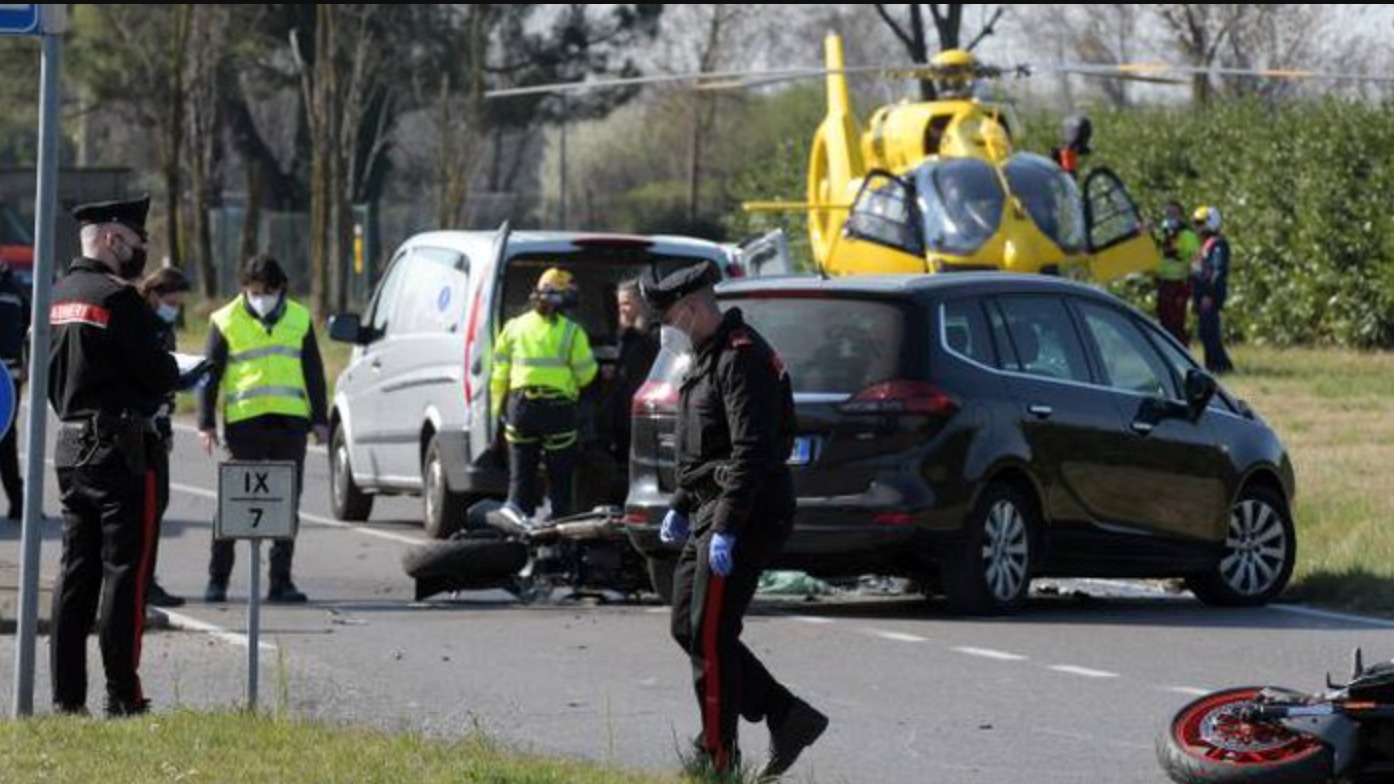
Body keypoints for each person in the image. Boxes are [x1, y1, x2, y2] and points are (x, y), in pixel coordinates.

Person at [639, 260, 827, 779]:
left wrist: (724, 526)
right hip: (710, 510)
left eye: (670, 316)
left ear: (694, 308)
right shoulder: (707, 356)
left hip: (745, 516)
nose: (666, 329)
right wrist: (681, 505)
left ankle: (718, 755)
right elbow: (706, 447)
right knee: (688, 626)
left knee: (711, 634)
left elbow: (751, 451)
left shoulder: (741, 359)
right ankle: (787, 714)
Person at [48, 194, 180, 717]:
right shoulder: (117, 300)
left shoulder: (58, 294)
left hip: (70, 446)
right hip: (121, 451)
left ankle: (66, 697)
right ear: (110, 239)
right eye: (135, 241)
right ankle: (123, 695)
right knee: (125, 574)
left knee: (74, 574)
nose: (140, 251)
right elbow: (159, 373)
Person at [198, 255, 329, 604]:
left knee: (285, 503)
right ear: (244, 288)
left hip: (290, 423)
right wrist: (206, 422)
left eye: (268, 291)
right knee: (235, 502)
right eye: (254, 291)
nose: (261, 297)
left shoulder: (299, 318)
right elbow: (209, 376)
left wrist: (320, 420)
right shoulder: (225, 320)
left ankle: (280, 581)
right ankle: (218, 580)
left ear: (281, 288)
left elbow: (313, 372)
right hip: (245, 423)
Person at [489, 267, 597, 526]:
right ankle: (558, 540)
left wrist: (495, 416)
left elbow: (499, 376)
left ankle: (516, 537)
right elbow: (586, 376)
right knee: (560, 481)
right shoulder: (572, 332)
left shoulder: (514, 327)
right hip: (557, 412)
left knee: (520, 479)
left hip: (520, 410)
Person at [137, 267, 194, 608]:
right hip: (141, 430)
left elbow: (167, 381)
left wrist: (169, 427)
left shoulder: (164, 328)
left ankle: (147, 579)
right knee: (146, 507)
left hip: (157, 428)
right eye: (171, 298)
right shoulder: (143, 325)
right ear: (156, 294)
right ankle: (142, 582)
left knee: (156, 506)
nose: (176, 304)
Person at [603, 278, 659, 465]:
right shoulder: (626, 336)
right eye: (620, 304)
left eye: (626, 303)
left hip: (642, 416)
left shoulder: (653, 335)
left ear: (641, 303)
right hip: (623, 416)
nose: (622, 309)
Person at [0, 259, 28, 520]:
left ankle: (19, 505)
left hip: (8, 380)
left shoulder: (16, 288)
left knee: (7, 441)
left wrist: (26, 363)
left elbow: (32, 330)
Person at [1191, 205, 1235, 374]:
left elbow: (1218, 271)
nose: (1197, 227)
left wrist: (1209, 294)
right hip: (1202, 296)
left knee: (1210, 332)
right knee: (1205, 332)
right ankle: (1213, 365)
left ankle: (1220, 366)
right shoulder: (1205, 245)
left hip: (1208, 296)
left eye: (1200, 222)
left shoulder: (1217, 245)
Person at [1154, 200, 1201, 346]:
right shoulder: (1161, 234)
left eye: (1173, 214)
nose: (1170, 217)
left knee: (1177, 323)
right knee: (1163, 321)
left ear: (1181, 216)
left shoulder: (1187, 235)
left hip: (1180, 285)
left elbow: (1196, 262)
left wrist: (1189, 287)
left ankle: (1182, 354)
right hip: (1162, 283)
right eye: (1167, 214)